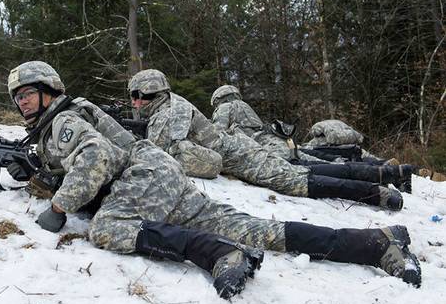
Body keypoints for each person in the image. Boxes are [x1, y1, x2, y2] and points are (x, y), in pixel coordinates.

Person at [5, 61, 421, 301]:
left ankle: (221, 254)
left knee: (106, 229)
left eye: (28, 92)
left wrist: (59, 206)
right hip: (155, 179)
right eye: (17, 96)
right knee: (255, 229)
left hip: (140, 178)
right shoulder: (57, 123)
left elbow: (94, 157)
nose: (22, 101)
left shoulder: (62, 118)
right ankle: (375, 243)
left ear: (48, 90)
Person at [128, 69, 404, 210]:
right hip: (247, 147)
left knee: (299, 180)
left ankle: (378, 191)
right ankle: (383, 173)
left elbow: (169, 153)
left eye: (134, 96)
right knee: (302, 168)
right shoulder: (170, 106)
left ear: (144, 93)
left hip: (242, 155)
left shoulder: (171, 112)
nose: (133, 102)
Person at [210, 85, 414, 193]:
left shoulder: (225, 108)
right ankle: (382, 171)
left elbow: (216, 133)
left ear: (218, 99)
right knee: (319, 160)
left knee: (313, 167)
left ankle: (378, 175)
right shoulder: (245, 106)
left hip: (261, 147)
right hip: (274, 140)